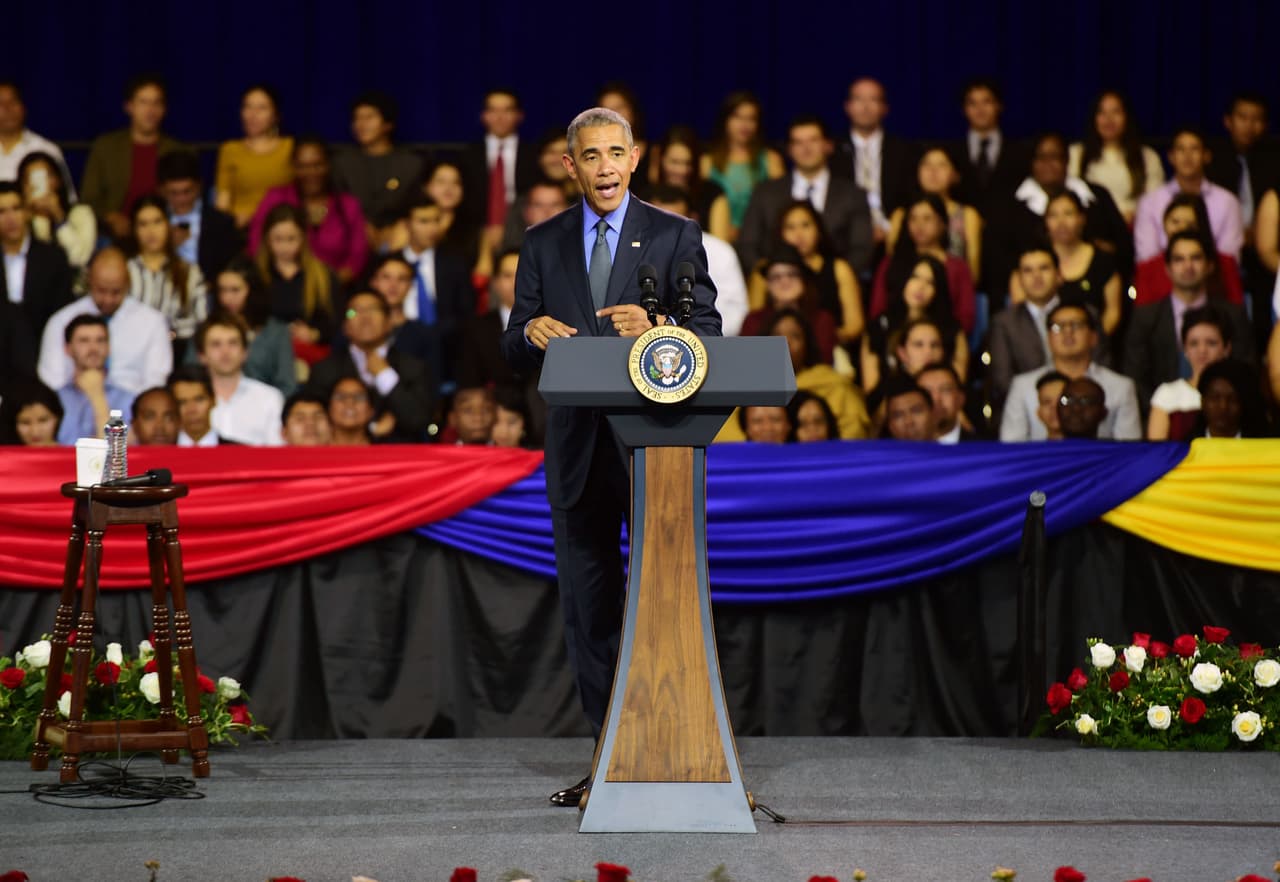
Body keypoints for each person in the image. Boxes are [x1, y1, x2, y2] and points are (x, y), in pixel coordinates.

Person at [499, 106, 720, 808]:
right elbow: (512, 344)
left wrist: (658, 325)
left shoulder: (675, 234)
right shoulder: (542, 242)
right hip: (576, 452)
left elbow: (708, 331)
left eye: (615, 154)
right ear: (571, 165)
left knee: (662, 608)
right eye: (590, 156)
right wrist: (529, 332)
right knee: (589, 616)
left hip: (656, 451)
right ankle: (610, 762)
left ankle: (676, 753)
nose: (604, 167)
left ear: (635, 158)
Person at [985, 132, 1131, 302]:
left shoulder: (1097, 197)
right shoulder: (1009, 206)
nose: (1048, 164)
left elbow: (1124, 248)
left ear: (1067, 160)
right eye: (1041, 157)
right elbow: (997, 264)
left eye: (1055, 157)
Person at [1123, 232, 1254, 416]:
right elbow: (1135, 376)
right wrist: (1160, 414)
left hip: (1225, 417)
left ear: (1210, 265)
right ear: (1167, 268)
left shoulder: (1234, 315)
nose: (1188, 266)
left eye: (1195, 258)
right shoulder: (1145, 317)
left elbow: (1247, 371)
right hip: (1159, 417)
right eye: (1179, 259)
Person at [737, 115, 874, 277]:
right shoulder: (765, 192)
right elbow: (747, 245)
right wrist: (772, 276)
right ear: (789, 149)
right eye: (798, 142)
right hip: (774, 284)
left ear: (828, 145)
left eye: (813, 140)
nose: (806, 148)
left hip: (835, 285)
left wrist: (833, 278)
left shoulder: (853, 194)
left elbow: (861, 249)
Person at [303, 289, 434, 442]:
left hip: (398, 452)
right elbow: (315, 422)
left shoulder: (413, 367)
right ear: (345, 327)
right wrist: (371, 429)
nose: (365, 317)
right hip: (341, 453)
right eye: (354, 312)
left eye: (373, 309)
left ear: (389, 323)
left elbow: (419, 420)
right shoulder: (324, 370)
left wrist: (386, 376)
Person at [1000, 300, 1141, 441]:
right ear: (1048, 338)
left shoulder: (1121, 387)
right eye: (1058, 327)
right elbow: (1011, 445)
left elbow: (1131, 448)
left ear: (1094, 337)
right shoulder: (1023, 386)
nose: (1067, 332)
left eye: (1077, 325)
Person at [38, 247, 171, 395]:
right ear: (89, 281)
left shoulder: (153, 323)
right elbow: (51, 382)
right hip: (73, 403)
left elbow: (155, 385)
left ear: (128, 284)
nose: (108, 299)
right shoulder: (61, 322)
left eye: (116, 292)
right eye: (101, 290)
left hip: (131, 405)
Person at [248, 137, 369, 284]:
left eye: (317, 165)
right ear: (293, 167)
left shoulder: (347, 205)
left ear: (328, 165)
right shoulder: (276, 198)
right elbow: (256, 246)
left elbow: (357, 256)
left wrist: (327, 286)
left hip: (338, 288)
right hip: (280, 286)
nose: (311, 173)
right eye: (302, 166)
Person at [79, 74, 182, 242]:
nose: (150, 110)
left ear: (164, 109)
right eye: (143, 102)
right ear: (129, 107)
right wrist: (110, 216)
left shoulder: (177, 150)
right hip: (114, 235)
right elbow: (88, 199)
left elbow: (188, 201)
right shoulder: (105, 147)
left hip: (163, 235)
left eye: (156, 103)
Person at [751, 200, 865, 345]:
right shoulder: (764, 270)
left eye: (805, 225)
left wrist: (823, 338)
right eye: (790, 227)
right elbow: (755, 319)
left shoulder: (839, 268)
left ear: (818, 230)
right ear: (780, 233)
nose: (799, 234)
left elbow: (855, 325)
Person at [1008, 191, 1121, 337]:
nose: (1061, 222)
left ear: (1081, 218)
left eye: (1068, 213)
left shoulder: (1103, 261)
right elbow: (1020, 310)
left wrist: (1091, 342)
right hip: (1036, 343)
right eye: (1053, 215)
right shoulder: (1030, 259)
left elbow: (1112, 313)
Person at [1133, 127, 1243, 264]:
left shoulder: (1228, 202)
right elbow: (1147, 258)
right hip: (1159, 275)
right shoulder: (1150, 202)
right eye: (1181, 149)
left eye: (1194, 149)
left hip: (1214, 275)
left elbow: (1230, 259)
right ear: (1171, 157)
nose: (1187, 156)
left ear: (1206, 156)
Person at [648, 185, 747, 336]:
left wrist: (676, 332)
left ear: (693, 219)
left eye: (673, 223)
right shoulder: (634, 248)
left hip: (706, 344)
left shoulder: (720, 251)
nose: (667, 232)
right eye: (661, 223)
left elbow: (735, 314)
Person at [870, 193, 976, 334]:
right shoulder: (891, 262)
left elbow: (965, 318)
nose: (919, 226)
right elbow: (877, 310)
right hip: (893, 336)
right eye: (913, 218)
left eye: (927, 218)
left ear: (943, 223)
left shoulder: (958, 267)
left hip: (942, 338)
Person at [398, 195, 475, 386]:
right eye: (424, 221)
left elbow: (466, 313)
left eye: (436, 220)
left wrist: (433, 335)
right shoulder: (389, 263)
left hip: (446, 350)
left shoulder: (455, 262)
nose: (432, 228)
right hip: (399, 349)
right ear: (406, 224)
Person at [332, 91, 426, 248]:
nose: (361, 124)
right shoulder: (342, 163)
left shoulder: (411, 164)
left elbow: (418, 206)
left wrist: (400, 225)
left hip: (401, 237)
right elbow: (339, 206)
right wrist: (363, 226)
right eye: (357, 118)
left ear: (387, 124)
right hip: (353, 237)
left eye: (369, 117)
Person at [862, 257, 967, 396]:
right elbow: (871, 389)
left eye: (930, 282)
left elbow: (957, 388)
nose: (921, 287)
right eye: (915, 277)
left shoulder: (951, 330)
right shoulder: (878, 327)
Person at [988, 246, 1072, 420]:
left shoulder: (1082, 315)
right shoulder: (1004, 323)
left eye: (1044, 268)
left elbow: (1099, 366)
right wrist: (1044, 405)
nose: (1036, 276)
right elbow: (1003, 380)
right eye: (1028, 270)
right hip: (1028, 410)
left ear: (1059, 274)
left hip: (1076, 406)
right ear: (1019, 279)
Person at [832, 77, 918, 238]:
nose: (865, 107)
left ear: (885, 108)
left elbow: (911, 199)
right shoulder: (832, 151)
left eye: (873, 99)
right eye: (859, 99)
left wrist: (893, 228)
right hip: (844, 236)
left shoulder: (904, 151)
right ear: (848, 107)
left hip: (896, 234)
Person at [197, 255, 296, 394]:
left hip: (265, 404)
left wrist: (267, 403)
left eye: (235, 290)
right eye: (222, 290)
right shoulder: (206, 329)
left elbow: (287, 385)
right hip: (213, 402)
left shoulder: (277, 332)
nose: (227, 298)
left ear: (253, 290)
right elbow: (190, 376)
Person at [1067, 90, 1165, 223]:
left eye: (1116, 112)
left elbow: (1155, 202)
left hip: (1135, 226)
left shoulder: (1148, 156)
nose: (1109, 119)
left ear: (1127, 117)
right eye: (1102, 112)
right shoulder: (1076, 154)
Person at [255, 202, 339, 356]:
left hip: (311, 353)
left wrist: (314, 334)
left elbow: (338, 319)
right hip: (265, 353)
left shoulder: (322, 275)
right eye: (278, 239)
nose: (285, 247)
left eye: (291, 239)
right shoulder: (255, 274)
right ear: (267, 239)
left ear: (303, 238)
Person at [127, 194, 207, 355]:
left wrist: (170, 335)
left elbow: (201, 321)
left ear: (169, 225)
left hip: (177, 351)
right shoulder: (124, 271)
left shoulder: (189, 272)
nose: (151, 231)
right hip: (130, 351)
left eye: (157, 221)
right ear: (134, 230)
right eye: (143, 224)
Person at [886, 147, 982, 280]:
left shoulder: (968, 215)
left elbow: (973, 271)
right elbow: (891, 265)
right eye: (926, 164)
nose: (933, 171)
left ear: (955, 175)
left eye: (942, 165)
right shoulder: (900, 215)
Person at [1132, 193, 1244, 307]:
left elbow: (1236, 311)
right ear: (1164, 223)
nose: (1181, 229)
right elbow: (1143, 313)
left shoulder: (1226, 264)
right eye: (1175, 222)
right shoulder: (1147, 269)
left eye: (1190, 224)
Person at [700, 91, 785, 241]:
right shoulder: (707, 161)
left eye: (751, 118)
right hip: (716, 238)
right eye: (738, 117)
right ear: (725, 120)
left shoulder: (770, 160)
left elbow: (781, 209)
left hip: (760, 241)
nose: (744, 125)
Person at [461, 89, 540, 247]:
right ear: (484, 116)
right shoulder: (466, 156)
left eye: (507, 110)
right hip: (474, 236)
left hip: (526, 233)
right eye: (493, 110)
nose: (500, 117)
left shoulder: (535, 155)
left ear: (519, 115)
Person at [195, 313, 285, 445]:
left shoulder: (270, 398)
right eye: (216, 344)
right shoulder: (190, 401)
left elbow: (277, 452)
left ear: (245, 352)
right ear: (201, 355)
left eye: (233, 343)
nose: (225, 351)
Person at [1147, 306, 1234, 441]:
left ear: (1226, 349)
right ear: (1185, 350)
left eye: (1211, 343)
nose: (1202, 350)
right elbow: (1157, 449)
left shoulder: (1237, 395)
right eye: (1194, 344)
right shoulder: (1167, 394)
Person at [739, 244, 838, 363]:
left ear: (803, 280)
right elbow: (745, 363)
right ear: (767, 285)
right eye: (776, 276)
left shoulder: (822, 320)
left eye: (792, 274)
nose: (785, 281)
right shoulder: (753, 321)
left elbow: (824, 362)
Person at [157, 150, 242, 287]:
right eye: (174, 193)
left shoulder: (221, 223)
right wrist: (167, 246)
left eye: (187, 191)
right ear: (161, 191)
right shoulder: (150, 220)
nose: (181, 199)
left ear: (199, 187)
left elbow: (229, 268)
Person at [0, 179, 73, 337]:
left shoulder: (53, 258)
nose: (10, 218)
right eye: (2, 211)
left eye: (16, 208)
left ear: (27, 212)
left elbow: (62, 312)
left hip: (44, 339)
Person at [214, 85, 294, 229]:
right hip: (240, 228)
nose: (253, 114)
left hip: (280, 227)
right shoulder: (230, 149)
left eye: (262, 108)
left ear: (275, 115)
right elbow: (223, 199)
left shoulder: (290, 148)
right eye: (248, 107)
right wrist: (226, 223)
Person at [54, 314, 135, 445]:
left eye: (100, 340)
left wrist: (97, 395)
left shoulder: (128, 400)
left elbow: (118, 450)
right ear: (68, 349)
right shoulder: (55, 399)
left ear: (109, 348)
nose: (93, 348)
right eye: (84, 341)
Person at [949, 78, 1026, 213]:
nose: (980, 109)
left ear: (999, 106)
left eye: (987, 102)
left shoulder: (1020, 151)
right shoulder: (951, 151)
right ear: (964, 109)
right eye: (972, 103)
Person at [17, 151, 95, 274]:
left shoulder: (81, 213)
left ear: (58, 180)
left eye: (46, 176)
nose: (38, 184)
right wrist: (25, 215)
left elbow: (78, 259)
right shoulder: (15, 216)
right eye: (30, 179)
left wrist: (59, 217)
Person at [649, 125, 728, 233]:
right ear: (661, 160)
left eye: (688, 163)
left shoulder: (712, 194)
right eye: (674, 162)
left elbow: (719, 242)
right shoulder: (647, 196)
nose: (681, 170)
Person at [0, 81, 71, 190]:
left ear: (23, 107)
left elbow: (67, 196)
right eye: (1, 103)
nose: (8, 109)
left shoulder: (46, 150)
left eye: (13, 101)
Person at [1192, 358, 1271, 438]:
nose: (1223, 407)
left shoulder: (1262, 442)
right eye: (1215, 398)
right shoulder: (1188, 444)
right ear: (1202, 401)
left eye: (1233, 400)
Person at [501, 178, 569, 254]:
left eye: (555, 205)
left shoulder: (578, 252)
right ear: (527, 212)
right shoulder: (513, 257)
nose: (547, 212)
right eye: (538, 205)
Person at [168, 364, 227, 447]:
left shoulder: (239, 452)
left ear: (213, 400)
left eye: (199, 399)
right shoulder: (160, 452)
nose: (192, 410)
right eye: (182, 402)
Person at [917, 361, 974, 442]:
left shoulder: (981, 447)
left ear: (960, 399)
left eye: (945, 390)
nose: (936, 399)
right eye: (927, 392)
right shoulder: (903, 446)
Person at [0, 378, 62, 446]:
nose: (35, 432)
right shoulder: (3, 452)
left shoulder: (69, 451)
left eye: (43, 420)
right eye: (25, 422)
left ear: (57, 418)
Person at [327, 375, 375, 445]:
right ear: (329, 408)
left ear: (371, 410)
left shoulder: (386, 449)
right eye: (341, 397)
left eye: (359, 397)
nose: (349, 402)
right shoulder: (313, 448)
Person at [491, 382, 533, 448]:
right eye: (495, 421)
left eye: (511, 422)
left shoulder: (540, 454)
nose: (504, 432)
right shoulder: (478, 452)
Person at [1035, 371, 1068, 440]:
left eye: (1061, 400)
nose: (1054, 408)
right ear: (1038, 413)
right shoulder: (1031, 447)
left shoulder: (1090, 445)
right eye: (1046, 402)